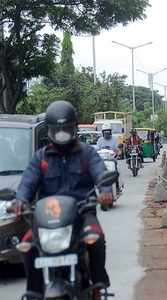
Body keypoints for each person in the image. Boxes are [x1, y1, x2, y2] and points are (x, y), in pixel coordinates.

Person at [11, 101, 112, 300]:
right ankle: (34, 291)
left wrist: (106, 191)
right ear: (49, 131)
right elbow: (27, 183)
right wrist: (20, 200)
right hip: (47, 218)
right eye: (57, 130)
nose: (61, 134)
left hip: (82, 214)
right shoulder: (41, 158)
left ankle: (97, 288)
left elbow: (101, 174)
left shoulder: (87, 153)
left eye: (65, 129)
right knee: (27, 244)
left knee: (96, 239)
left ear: (74, 128)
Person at [97, 124, 121, 193]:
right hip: (102, 160)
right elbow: (97, 150)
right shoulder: (100, 140)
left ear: (110, 132)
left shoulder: (114, 139)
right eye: (105, 132)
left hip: (112, 160)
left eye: (108, 132)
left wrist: (118, 153)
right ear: (102, 132)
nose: (106, 133)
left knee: (115, 171)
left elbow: (118, 150)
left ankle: (117, 186)